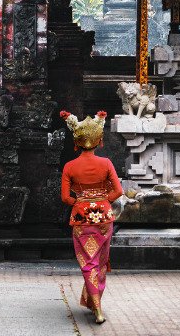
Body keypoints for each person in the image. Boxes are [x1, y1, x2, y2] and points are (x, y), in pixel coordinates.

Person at [60, 110, 123, 325]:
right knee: (101, 262)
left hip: (81, 219)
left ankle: (96, 307)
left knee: (88, 263)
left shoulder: (70, 166)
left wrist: (79, 201)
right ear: (99, 141)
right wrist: (102, 199)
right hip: (104, 218)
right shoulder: (105, 163)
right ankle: (95, 304)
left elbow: (65, 197)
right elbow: (118, 191)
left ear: (76, 143)